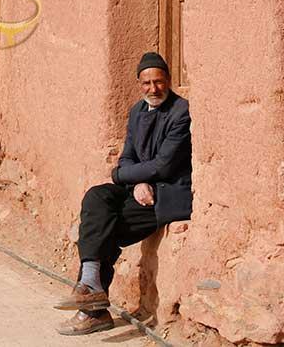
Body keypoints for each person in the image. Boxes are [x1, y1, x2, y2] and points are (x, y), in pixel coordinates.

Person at [53, 51, 193, 336]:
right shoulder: (137, 111)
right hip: (139, 189)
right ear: (138, 84)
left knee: (104, 227)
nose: (153, 89)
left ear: (168, 80)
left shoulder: (181, 111)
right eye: (146, 83)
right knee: (97, 197)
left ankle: (92, 309)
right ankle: (92, 288)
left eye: (159, 82)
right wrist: (135, 181)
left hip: (164, 196)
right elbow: (127, 157)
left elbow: (164, 165)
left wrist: (123, 177)